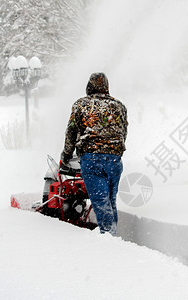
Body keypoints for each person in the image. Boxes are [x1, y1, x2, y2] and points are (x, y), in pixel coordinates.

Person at [61, 72, 128, 235]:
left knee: (101, 203)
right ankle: (113, 236)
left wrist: (66, 155)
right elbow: (123, 132)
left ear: (89, 87)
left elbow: (71, 132)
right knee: (110, 202)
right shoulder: (119, 106)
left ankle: (109, 238)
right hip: (114, 160)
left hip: (92, 159)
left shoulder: (80, 105)